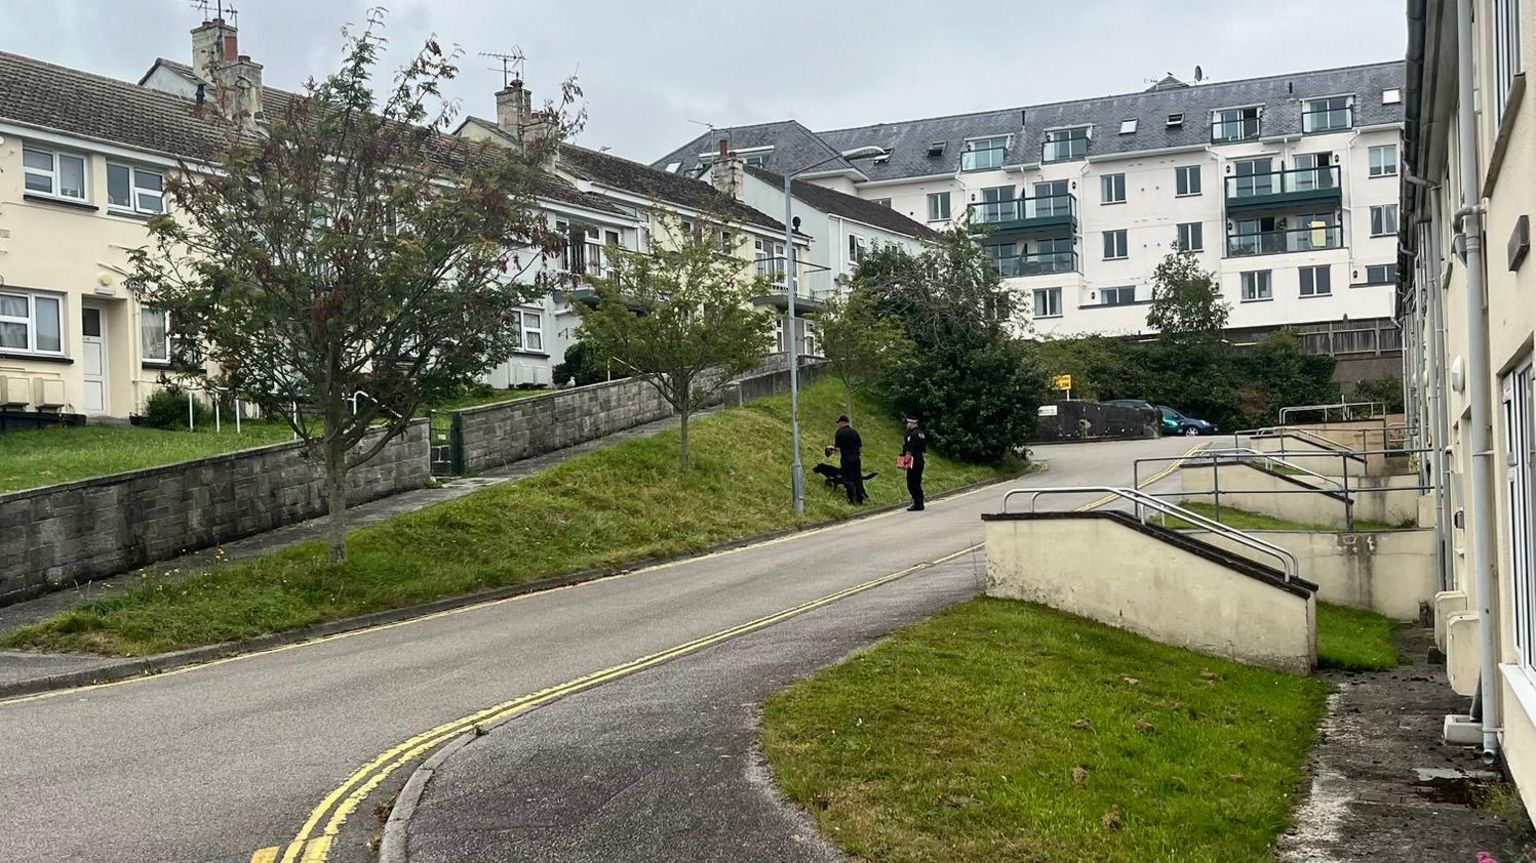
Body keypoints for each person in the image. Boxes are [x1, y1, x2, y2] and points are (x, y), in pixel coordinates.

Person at [826, 415, 867, 504]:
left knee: (848, 479)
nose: (838, 425)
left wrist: (830, 448)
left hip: (846, 458)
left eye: (839, 423)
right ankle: (860, 499)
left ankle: (851, 499)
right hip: (856, 458)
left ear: (842, 422)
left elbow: (837, 449)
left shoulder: (840, 433)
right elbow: (860, 447)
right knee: (857, 478)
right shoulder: (855, 432)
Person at [901, 416, 927, 511]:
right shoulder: (921, 434)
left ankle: (917, 503)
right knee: (917, 482)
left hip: (913, 461)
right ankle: (920, 502)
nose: (907, 425)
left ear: (912, 423)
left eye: (908, 423)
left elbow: (909, 450)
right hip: (920, 459)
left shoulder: (911, 435)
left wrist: (905, 462)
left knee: (911, 483)